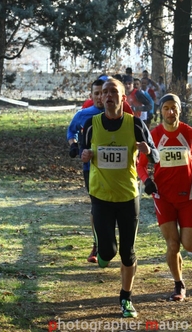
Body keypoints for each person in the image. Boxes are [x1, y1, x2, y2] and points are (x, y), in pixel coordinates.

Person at [81, 78, 159, 318]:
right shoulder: (91, 124)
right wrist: (84, 154)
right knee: (108, 251)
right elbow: (83, 152)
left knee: (128, 251)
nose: (109, 95)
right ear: (100, 98)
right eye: (105, 92)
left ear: (123, 97)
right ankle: (102, 250)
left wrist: (148, 151)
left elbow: (155, 154)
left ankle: (126, 298)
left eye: (114, 91)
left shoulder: (135, 124)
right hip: (101, 196)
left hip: (127, 197)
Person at [137, 93, 192, 302]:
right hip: (163, 197)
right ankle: (178, 284)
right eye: (166, 108)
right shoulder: (153, 135)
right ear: (161, 110)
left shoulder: (189, 133)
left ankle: (179, 268)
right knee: (172, 244)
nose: (170, 112)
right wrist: (147, 181)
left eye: (174, 108)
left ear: (180, 109)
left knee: (190, 246)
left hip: (187, 197)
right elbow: (141, 164)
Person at [67, 78, 105, 263]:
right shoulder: (83, 114)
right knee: (97, 207)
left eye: (102, 93)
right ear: (91, 96)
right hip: (90, 168)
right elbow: (71, 132)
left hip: (115, 171)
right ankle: (97, 245)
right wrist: (73, 146)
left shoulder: (120, 114)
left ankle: (112, 243)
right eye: (96, 93)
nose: (100, 97)